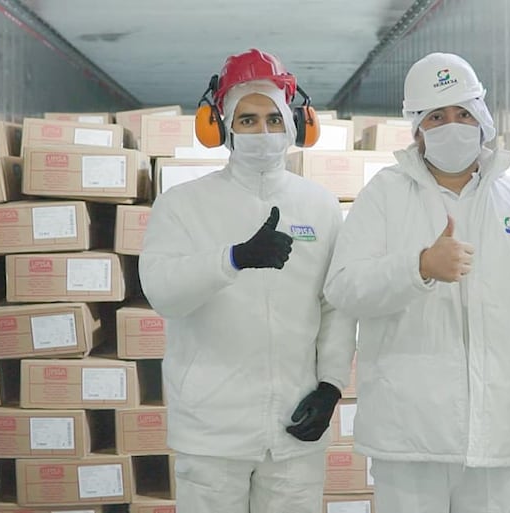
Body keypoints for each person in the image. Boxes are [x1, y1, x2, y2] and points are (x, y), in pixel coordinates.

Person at [323, 52, 510, 513]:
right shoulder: (384, 196)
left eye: (463, 113)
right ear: (417, 128)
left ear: (481, 117)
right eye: (437, 116)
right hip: (407, 439)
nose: (452, 125)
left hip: (495, 436)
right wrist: (418, 267)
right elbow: (344, 287)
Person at [138, 48, 356, 513]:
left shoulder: (320, 206)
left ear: (295, 124)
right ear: (221, 127)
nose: (262, 132)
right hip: (212, 430)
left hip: (295, 426)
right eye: (248, 119)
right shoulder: (182, 205)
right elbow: (162, 292)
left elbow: (335, 304)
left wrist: (331, 386)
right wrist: (233, 259)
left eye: (273, 120)